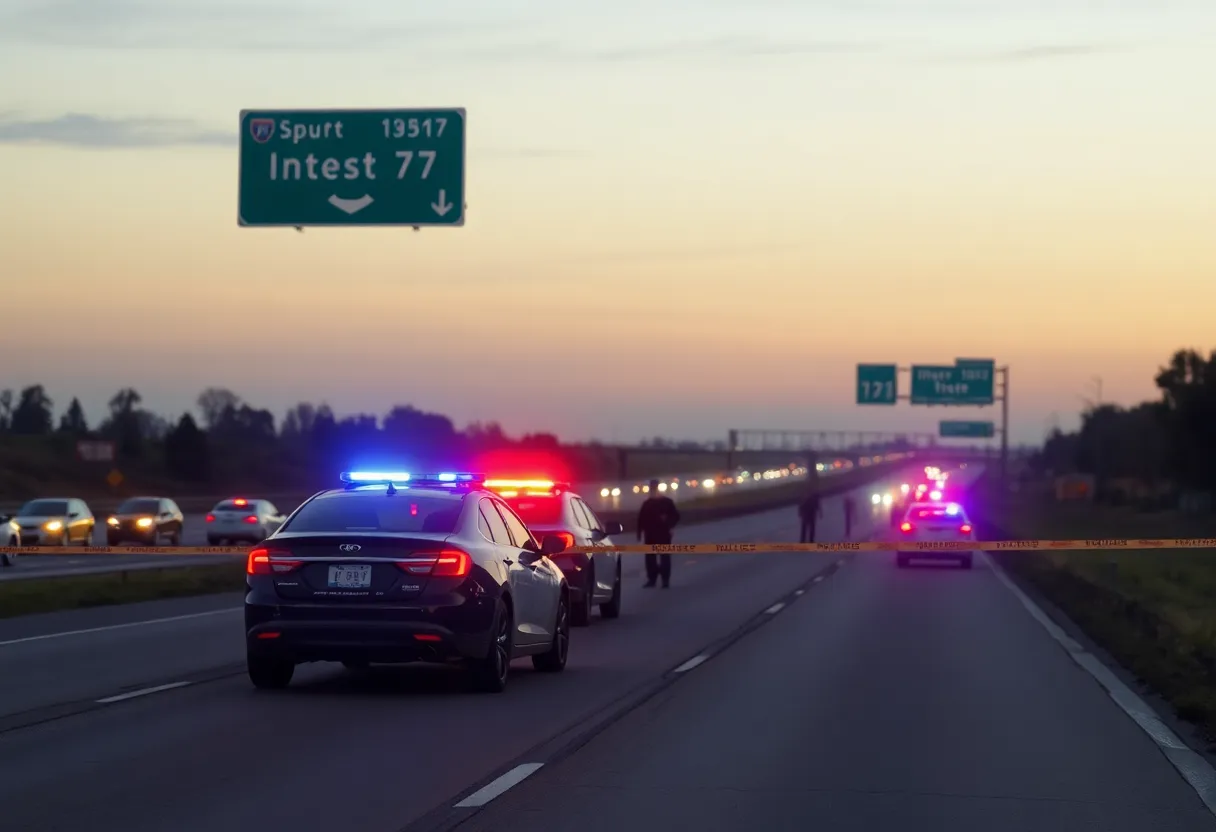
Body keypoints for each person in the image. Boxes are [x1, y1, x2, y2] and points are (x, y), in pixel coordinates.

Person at [637, 479, 680, 588]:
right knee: (650, 558)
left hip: (663, 533)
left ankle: (665, 580)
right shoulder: (647, 504)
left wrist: (669, 525)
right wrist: (639, 533)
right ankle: (652, 579)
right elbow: (641, 519)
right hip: (650, 534)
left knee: (664, 557)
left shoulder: (667, 502)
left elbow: (675, 516)